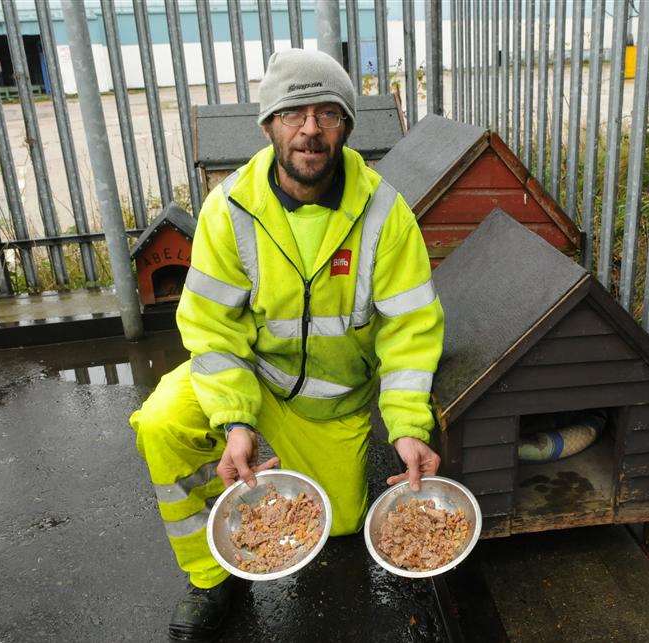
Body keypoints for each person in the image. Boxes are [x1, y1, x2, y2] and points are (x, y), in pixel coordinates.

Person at [129, 48, 445, 641]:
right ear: (270, 124)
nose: (310, 129)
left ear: (346, 127)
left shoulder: (385, 212)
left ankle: (294, 477)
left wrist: (407, 428)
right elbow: (213, 330)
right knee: (163, 421)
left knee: (341, 526)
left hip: (334, 405)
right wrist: (234, 421)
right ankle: (210, 577)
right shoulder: (230, 210)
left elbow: (411, 332)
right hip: (252, 379)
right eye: (294, 112)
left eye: (328, 114)